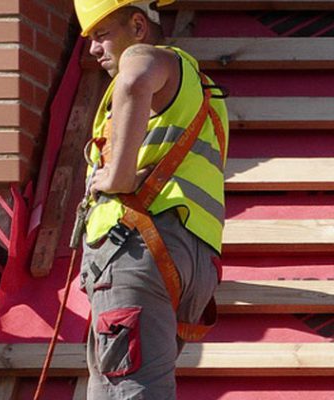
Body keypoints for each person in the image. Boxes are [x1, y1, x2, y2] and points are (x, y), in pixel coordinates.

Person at [73, 0, 229, 398]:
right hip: (190, 257)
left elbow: (135, 77)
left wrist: (119, 174)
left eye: (101, 34)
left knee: (126, 390)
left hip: (137, 248)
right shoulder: (198, 88)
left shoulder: (146, 57)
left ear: (138, 26)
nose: (92, 48)